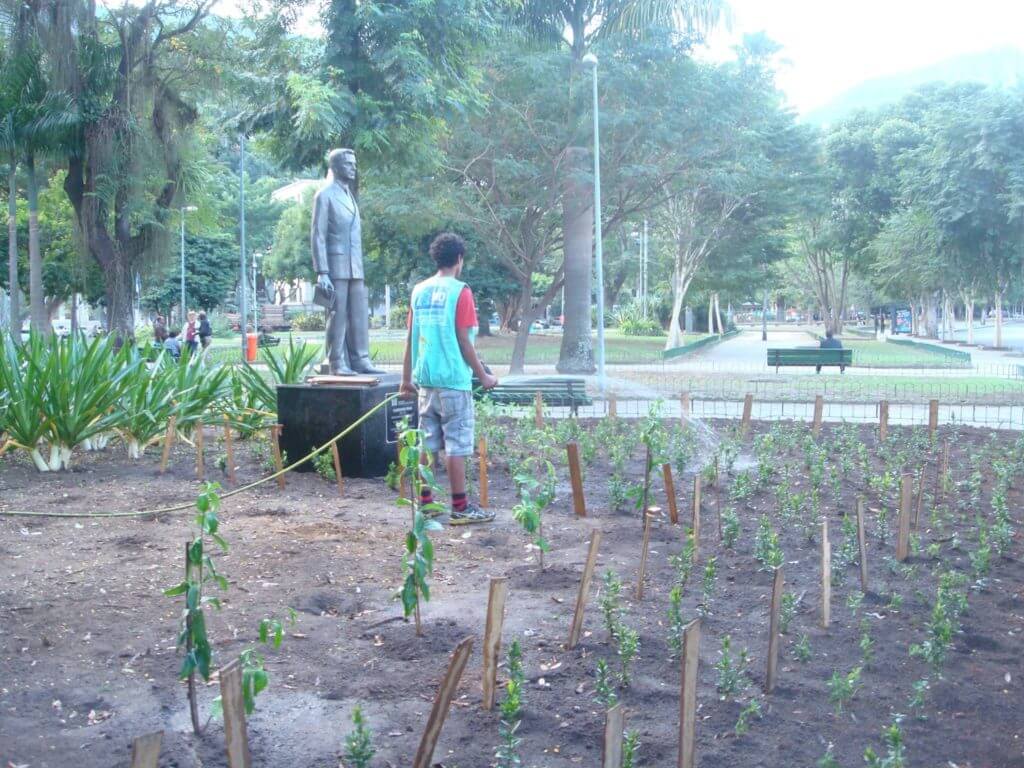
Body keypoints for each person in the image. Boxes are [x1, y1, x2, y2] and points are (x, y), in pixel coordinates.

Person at [401, 232, 498, 525]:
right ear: (459, 259)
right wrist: (484, 376)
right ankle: (460, 507)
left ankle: (426, 504)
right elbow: (464, 341)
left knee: (427, 443)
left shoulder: (419, 291)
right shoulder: (461, 291)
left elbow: (410, 337)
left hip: (426, 382)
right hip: (454, 381)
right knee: (457, 445)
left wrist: (406, 378)